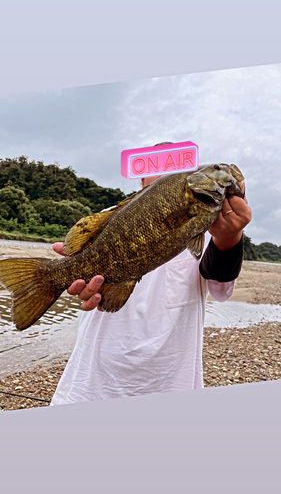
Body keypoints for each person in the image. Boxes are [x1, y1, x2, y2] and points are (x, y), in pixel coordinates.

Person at [51, 166, 251, 405]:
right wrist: (74, 279)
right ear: (141, 180)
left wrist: (229, 236)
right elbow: (88, 282)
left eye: (177, 168)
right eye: (158, 168)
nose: (167, 175)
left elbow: (220, 288)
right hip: (93, 379)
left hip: (172, 380)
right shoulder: (111, 216)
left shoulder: (212, 227)